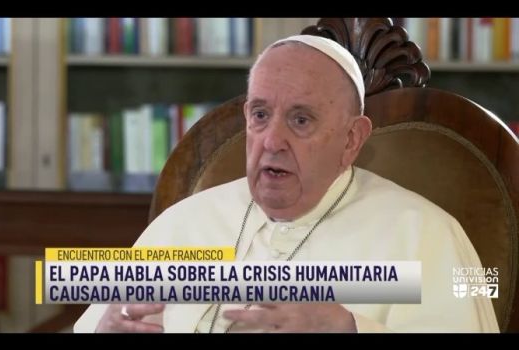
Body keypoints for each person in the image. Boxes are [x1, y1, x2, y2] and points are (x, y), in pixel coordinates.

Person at [74, 34, 499, 333]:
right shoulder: (183, 223)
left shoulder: (426, 234)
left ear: (352, 139)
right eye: (260, 115)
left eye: (301, 120)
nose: (272, 141)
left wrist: (351, 329)